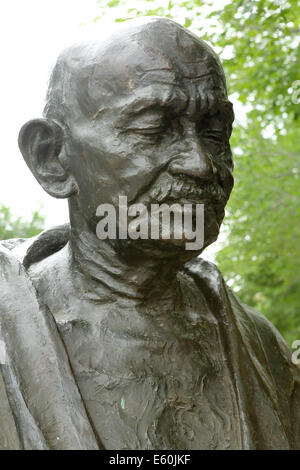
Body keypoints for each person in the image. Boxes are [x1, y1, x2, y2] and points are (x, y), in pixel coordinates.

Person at [0, 17, 299, 450]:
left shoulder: (263, 348)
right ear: (53, 158)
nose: (200, 164)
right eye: (153, 129)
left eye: (215, 133)